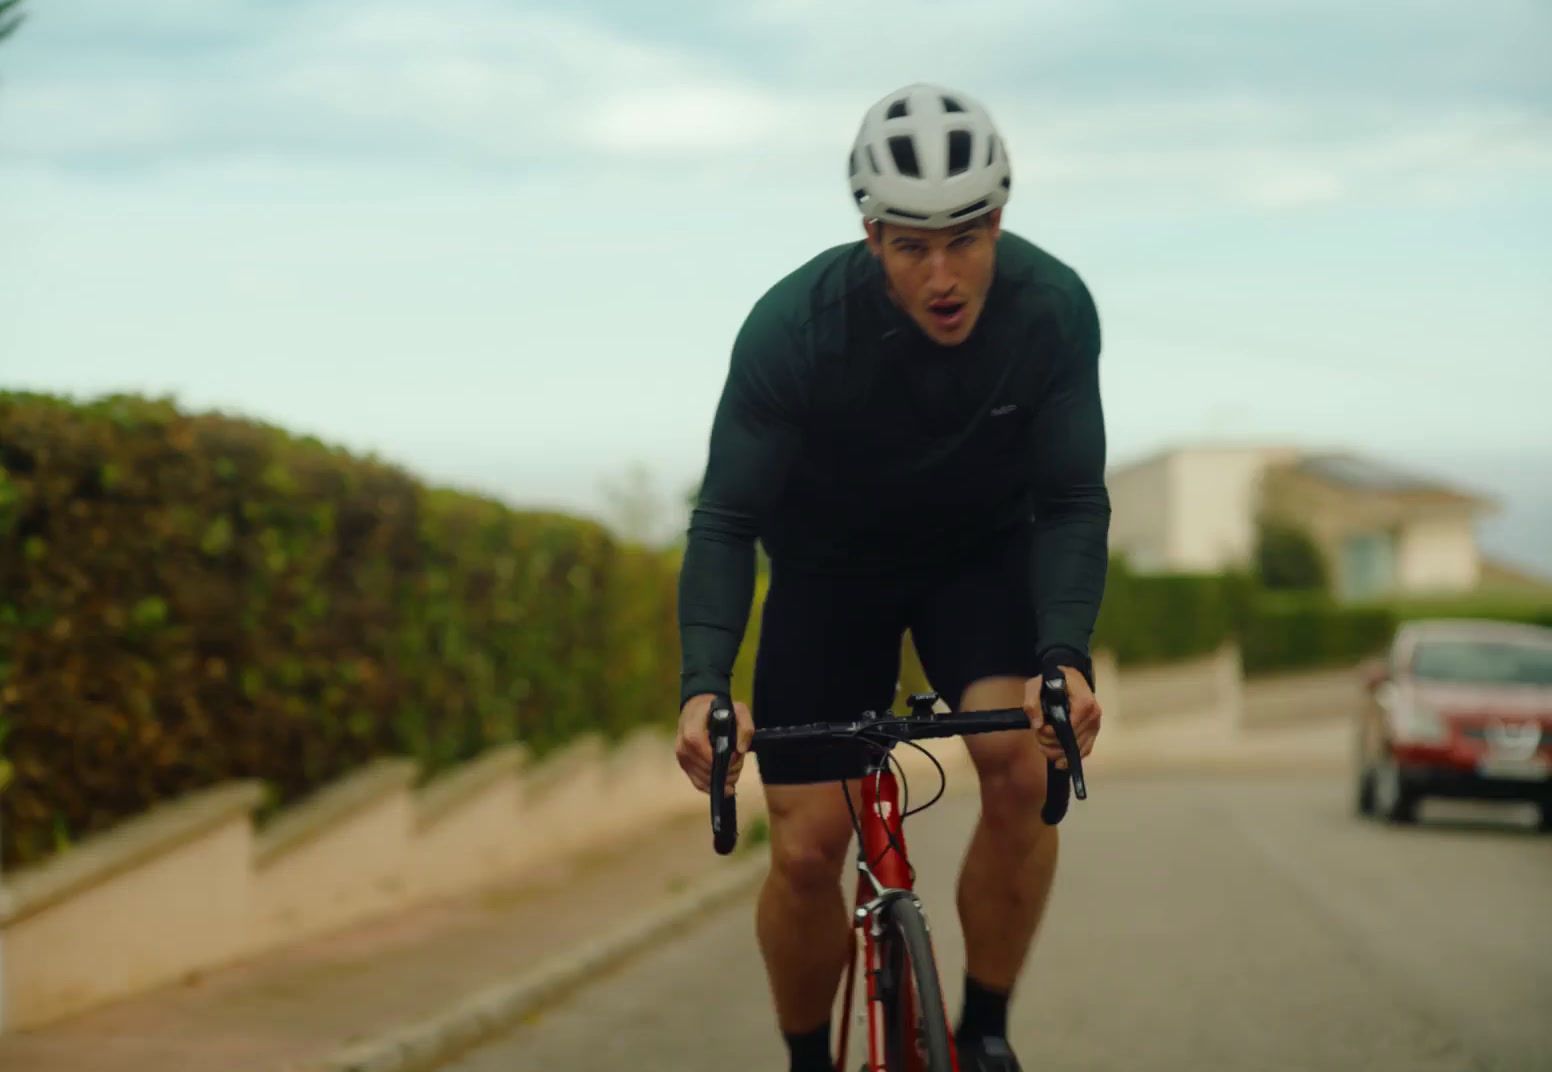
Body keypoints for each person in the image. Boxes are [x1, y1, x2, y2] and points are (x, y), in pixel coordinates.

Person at [674, 82, 1109, 1072]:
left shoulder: (1051, 312)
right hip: (829, 576)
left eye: (964, 237)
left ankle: (985, 1027)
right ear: (871, 237)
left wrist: (1065, 661)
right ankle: (806, 1059)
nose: (943, 273)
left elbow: (1073, 503)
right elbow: (727, 519)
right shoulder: (793, 328)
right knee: (804, 846)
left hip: (977, 564)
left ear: (999, 218)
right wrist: (704, 682)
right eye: (911, 245)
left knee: (1023, 763)